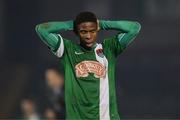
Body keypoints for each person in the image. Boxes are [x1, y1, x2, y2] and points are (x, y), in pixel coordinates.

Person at [35, 11, 141, 120]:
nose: (88, 36)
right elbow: (42, 29)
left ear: (97, 30)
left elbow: (134, 28)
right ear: (77, 32)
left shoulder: (108, 49)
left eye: (92, 31)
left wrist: (102, 24)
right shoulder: (68, 50)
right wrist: (72, 24)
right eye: (83, 31)